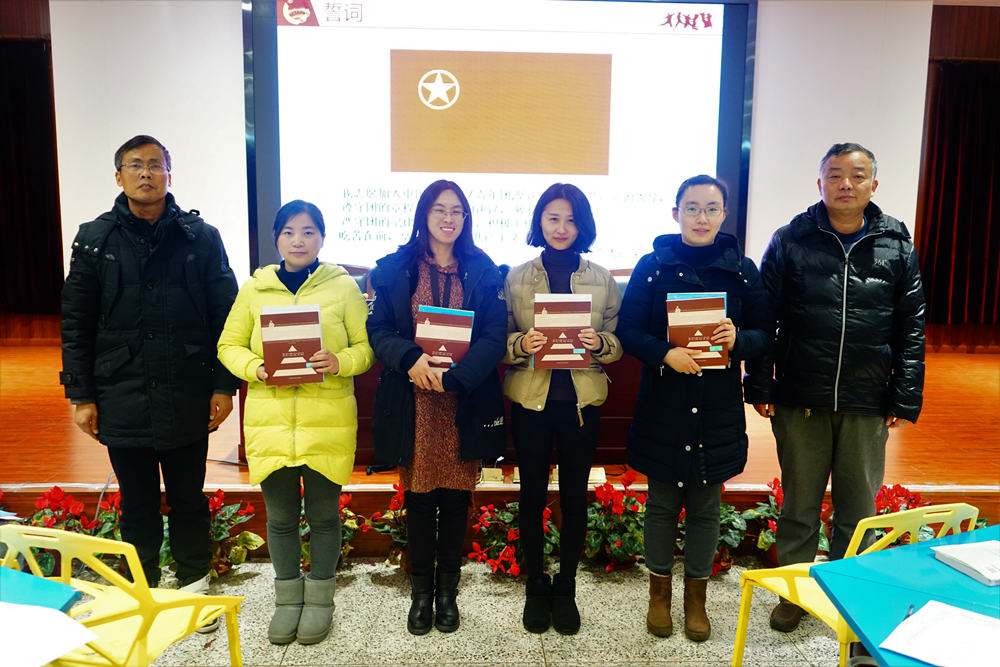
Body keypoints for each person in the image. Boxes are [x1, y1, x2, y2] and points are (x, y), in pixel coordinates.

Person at [745, 142, 925, 632]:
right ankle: (794, 593)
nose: (846, 184)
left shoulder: (897, 245)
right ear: (820, 182)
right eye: (836, 174)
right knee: (799, 505)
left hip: (867, 398)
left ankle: (851, 594)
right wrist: (759, 383)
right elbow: (764, 317)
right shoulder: (791, 240)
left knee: (858, 508)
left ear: (874, 184)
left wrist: (905, 395)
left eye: (858, 175)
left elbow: (911, 326)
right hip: (801, 394)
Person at [60, 135, 239, 628]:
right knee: (136, 501)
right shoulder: (95, 239)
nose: (145, 173)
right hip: (121, 391)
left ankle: (195, 584)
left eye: (155, 165)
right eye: (135, 165)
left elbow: (227, 316)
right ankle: (143, 590)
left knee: (188, 497)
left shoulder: (201, 237)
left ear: (169, 174)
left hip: (187, 388)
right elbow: (76, 320)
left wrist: (224, 385)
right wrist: (81, 394)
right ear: (118, 176)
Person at [616, 174, 772, 641]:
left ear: (724, 214)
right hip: (664, 403)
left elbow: (765, 333)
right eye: (692, 208)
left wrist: (738, 340)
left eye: (711, 208)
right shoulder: (651, 267)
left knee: (706, 505)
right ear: (676, 213)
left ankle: (696, 600)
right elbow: (628, 330)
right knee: (662, 504)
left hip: (717, 406)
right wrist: (665, 353)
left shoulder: (742, 270)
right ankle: (659, 596)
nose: (701, 217)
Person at [217, 200, 373, 645]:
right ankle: (287, 599)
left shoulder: (343, 287)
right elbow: (228, 345)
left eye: (308, 232)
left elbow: (366, 349)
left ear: (322, 238)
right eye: (288, 232)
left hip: (327, 419)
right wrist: (256, 368)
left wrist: (338, 361)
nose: (298, 240)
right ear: (276, 238)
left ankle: (321, 599)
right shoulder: (255, 289)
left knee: (324, 516)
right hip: (270, 420)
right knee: (282, 518)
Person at [366, 179, 507, 635]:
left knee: (456, 500)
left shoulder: (483, 270)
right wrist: (410, 359)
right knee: (421, 500)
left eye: (457, 211)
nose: (449, 218)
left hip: (464, 402)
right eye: (440, 209)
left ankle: (448, 592)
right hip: (415, 404)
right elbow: (379, 330)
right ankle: (421, 593)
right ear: (424, 215)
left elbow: (494, 336)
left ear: (466, 218)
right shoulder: (396, 269)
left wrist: (458, 377)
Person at [503, 183, 622, 635]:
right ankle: (536, 585)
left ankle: (566, 586)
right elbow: (497, 340)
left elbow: (618, 342)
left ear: (583, 225)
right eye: (553, 218)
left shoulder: (602, 278)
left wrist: (600, 342)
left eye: (571, 220)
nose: (561, 228)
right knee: (531, 496)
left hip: (581, 403)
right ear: (540, 221)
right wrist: (522, 343)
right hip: (530, 403)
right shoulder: (516, 277)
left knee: (574, 497)